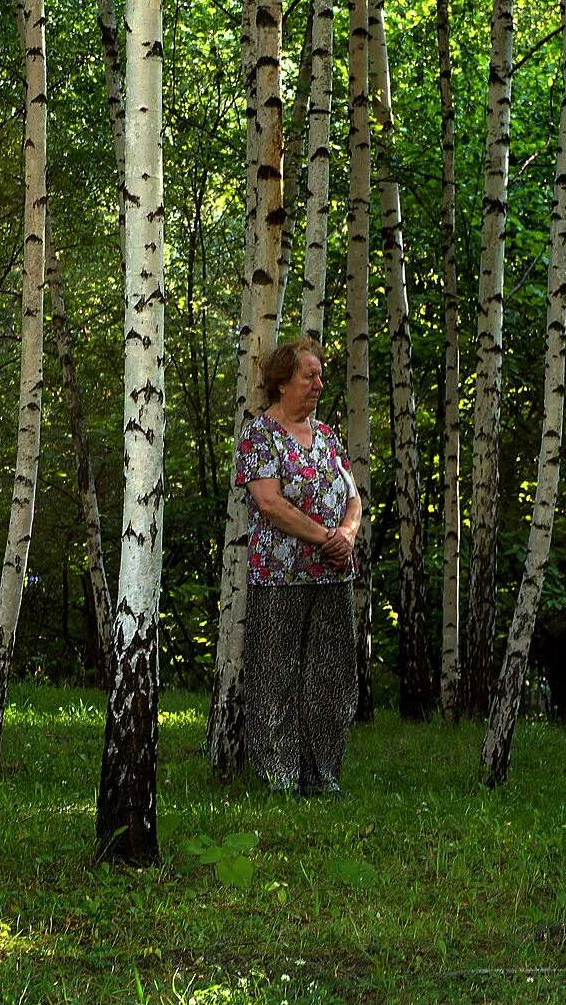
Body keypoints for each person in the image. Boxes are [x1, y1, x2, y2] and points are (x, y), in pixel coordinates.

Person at [233, 337, 361, 795]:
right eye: (309, 376)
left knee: (331, 674)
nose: (318, 385)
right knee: (274, 674)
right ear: (282, 382)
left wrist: (346, 535)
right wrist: (323, 537)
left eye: (320, 376)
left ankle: (322, 776)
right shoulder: (260, 435)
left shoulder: (327, 436)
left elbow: (353, 496)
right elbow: (268, 502)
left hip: (333, 575)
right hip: (280, 575)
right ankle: (279, 779)